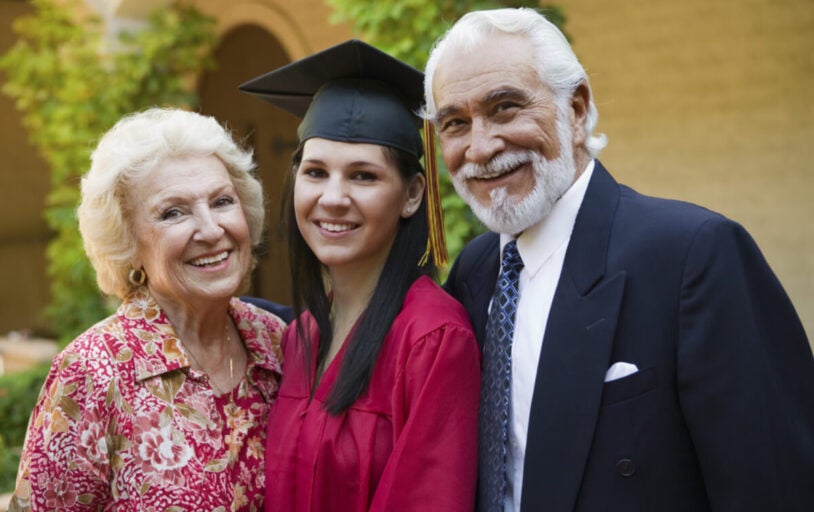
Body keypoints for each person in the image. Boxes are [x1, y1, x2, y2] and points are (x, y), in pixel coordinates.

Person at [423, 8, 814, 512]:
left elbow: (774, 488)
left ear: (578, 110)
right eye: (455, 123)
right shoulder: (474, 274)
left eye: (505, 108)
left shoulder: (693, 256)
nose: (481, 146)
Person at [239, 40, 481, 511]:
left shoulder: (433, 340)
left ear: (413, 195)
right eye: (315, 172)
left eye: (363, 176)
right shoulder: (301, 337)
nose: (332, 197)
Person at [9, 108, 285, 511]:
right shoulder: (93, 373)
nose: (210, 230)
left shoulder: (275, 341)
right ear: (127, 242)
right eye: (173, 212)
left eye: (222, 201)